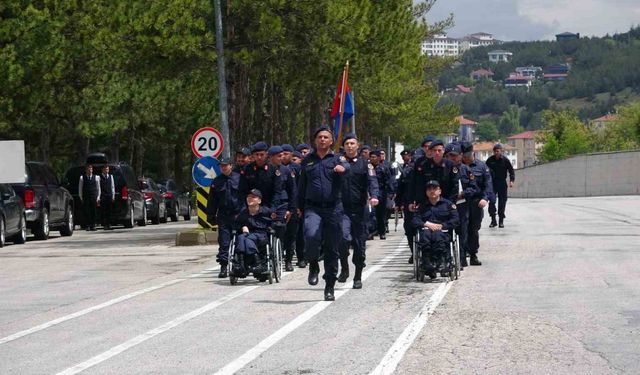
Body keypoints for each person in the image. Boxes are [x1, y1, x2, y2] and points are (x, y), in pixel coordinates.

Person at [298, 125, 349, 301]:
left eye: (326, 137)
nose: (322, 140)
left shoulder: (337, 159)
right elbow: (301, 186)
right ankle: (313, 264)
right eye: (319, 137)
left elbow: (347, 169)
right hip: (313, 207)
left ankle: (329, 286)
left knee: (331, 248)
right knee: (311, 236)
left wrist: (343, 170)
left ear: (331, 141)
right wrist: (298, 206)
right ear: (315, 140)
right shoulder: (307, 161)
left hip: (333, 208)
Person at [338, 133, 379, 289]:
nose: (349, 146)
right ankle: (344, 267)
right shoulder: (338, 162)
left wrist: (374, 196)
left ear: (357, 145)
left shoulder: (365, 164)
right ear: (343, 146)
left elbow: (372, 182)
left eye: (352, 143)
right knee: (342, 238)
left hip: (360, 209)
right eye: (347, 143)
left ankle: (357, 276)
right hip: (342, 208)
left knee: (359, 244)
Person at [411, 180, 459, 279]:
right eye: (429, 189)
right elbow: (415, 220)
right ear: (426, 192)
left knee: (438, 235)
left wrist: (442, 226)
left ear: (440, 191)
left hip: (443, 232)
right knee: (425, 236)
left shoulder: (448, 204)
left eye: (435, 189)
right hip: (426, 231)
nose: (432, 191)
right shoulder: (421, 206)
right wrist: (426, 224)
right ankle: (427, 262)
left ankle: (442, 262)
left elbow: (455, 219)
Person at [445, 142, 480, 269]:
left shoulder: (466, 170)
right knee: (447, 233)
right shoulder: (444, 169)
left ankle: (461, 258)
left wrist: (464, 194)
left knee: (462, 233)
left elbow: (473, 188)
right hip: (447, 206)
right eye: (450, 155)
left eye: (455, 155)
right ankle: (448, 259)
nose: (453, 158)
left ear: (461, 156)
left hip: (462, 207)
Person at [207, 157, 242, 278]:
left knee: (239, 240)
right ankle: (223, 266)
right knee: (224, 242)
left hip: (238, 215)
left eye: (225, 165)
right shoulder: (216, 182)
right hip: (223, 215)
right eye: (221, 166)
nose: (223, 168)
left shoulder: (239, 178)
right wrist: (210, 215)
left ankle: (239, 264)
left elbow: (244, 197)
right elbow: (212, 201)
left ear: (231, 165)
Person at [461, 142, 493, 266]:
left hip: (476, 202)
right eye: (464, 155)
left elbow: (488, 184)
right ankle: (463, 255)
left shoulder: (481, 167)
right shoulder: (458, 167)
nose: (466, 158)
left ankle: (473, 254)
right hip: (462, 202)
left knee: (474, 229)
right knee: (463, 229)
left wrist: (485, 198)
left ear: (472, 153)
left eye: (468, 155)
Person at [267, 145, 297, 271]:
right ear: (271, 157)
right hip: (269, 205)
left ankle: (288, 260)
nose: (282, 158)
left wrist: (291, 209)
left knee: (287, 233)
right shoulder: (266, 170)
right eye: (279, 156)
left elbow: (293, 191)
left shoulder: (286, 171)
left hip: (284, 205)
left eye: (283, 155)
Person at [232, 189, 273, 277]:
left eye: (253, 197)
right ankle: (241, 263)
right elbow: (235, 225)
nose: (250, 199)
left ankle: (257, 262)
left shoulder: (266, 212)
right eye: (248, 197)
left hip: (261, 235)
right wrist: (242, 227)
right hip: (247, 235)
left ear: (259, 200)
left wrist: (271, 228)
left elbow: (274, 223)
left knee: (247, 238)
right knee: (241, 237)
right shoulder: (243, 213)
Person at [408, 140, 459, 208]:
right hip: (427, 204)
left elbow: (455, 186)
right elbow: (418, 185)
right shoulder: (424, 166)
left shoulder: (450, 165)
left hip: (446, 203)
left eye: (439, 150)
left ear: (443, 151)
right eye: (434, 150)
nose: (437, 153)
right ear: (431, 152)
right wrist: (416, 202)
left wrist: (451, 203)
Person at [485, 143, 515, 228]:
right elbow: (485, 171)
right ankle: (493, 220)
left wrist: (511, 181)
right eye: (495, 151)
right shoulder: (490, 160)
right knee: (492, 202)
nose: (496, 153)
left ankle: (501, 220)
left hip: (502, 183)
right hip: (492, 183)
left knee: (502, 202)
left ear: (501, 151)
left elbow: (511, 171)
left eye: (498, 151)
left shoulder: (505, 160)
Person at [369, 149, 395, 239]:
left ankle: (382, 232)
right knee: (371, 213)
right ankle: (371, 231)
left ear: (378, 158)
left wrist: (391, 193)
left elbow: (389, 180)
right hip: (370, 193)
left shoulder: (383, 168)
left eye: (374, 157)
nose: (372, 159)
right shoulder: (368, 168)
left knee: (381, 214)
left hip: (382, 192)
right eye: (371, 157)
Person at [396, 149, 415, 263]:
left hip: (425, 204)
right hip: (409, 204)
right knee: (409, 229)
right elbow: (401, 188)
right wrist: (398, 203)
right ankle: (414, 252)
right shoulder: (406, 170)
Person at [78, 164, 100, 231]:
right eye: (88, 169)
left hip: (93, 196)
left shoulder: (96, 177)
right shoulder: (82, 178)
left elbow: (98, 188)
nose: (89, 170)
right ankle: (87, 225)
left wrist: (98, 197)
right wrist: (81, 197)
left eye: (91, 169)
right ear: (86, 170)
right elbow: (80, 188)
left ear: (92, 170)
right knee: (86, 211)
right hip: (86, 196)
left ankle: (93, 225)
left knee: (93, 211)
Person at [99, 165, 115, 230]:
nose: (106, 170)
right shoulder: (99, 177)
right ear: (102, 170)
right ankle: (104, 224)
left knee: (109, 211)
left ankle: (109, 224)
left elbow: (112, 186)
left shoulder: (111, 176)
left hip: (109, 195)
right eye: (105, 169)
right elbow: (98, 187)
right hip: (103, 196)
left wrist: (113, 195)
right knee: (103, 211)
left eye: (107, 169)